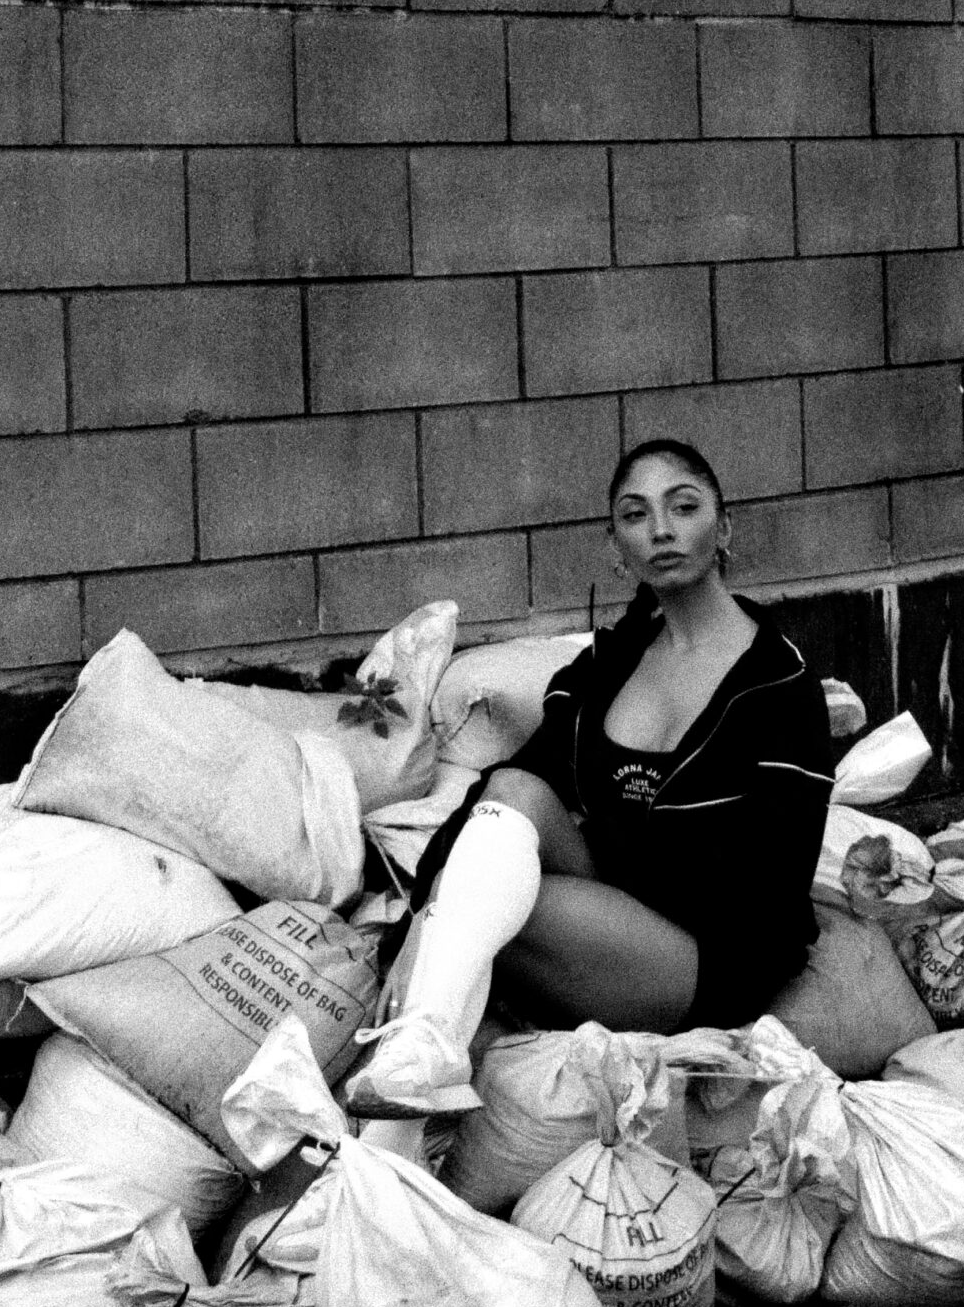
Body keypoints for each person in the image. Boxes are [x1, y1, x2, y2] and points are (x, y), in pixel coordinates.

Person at [345, 435, 835, 1119]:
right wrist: (437, 880)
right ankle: (421, 1049)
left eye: (683, 507)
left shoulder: (778, 684)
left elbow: (770, 881)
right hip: (611, 897)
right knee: (508, 801)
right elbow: (515, 780)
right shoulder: (608, 668)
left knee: (488, 909)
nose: (661, 530)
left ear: (723, 528)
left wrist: (461, 897)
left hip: (707, 950)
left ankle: (419, 1049)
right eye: (636, 516)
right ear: (616, 546)